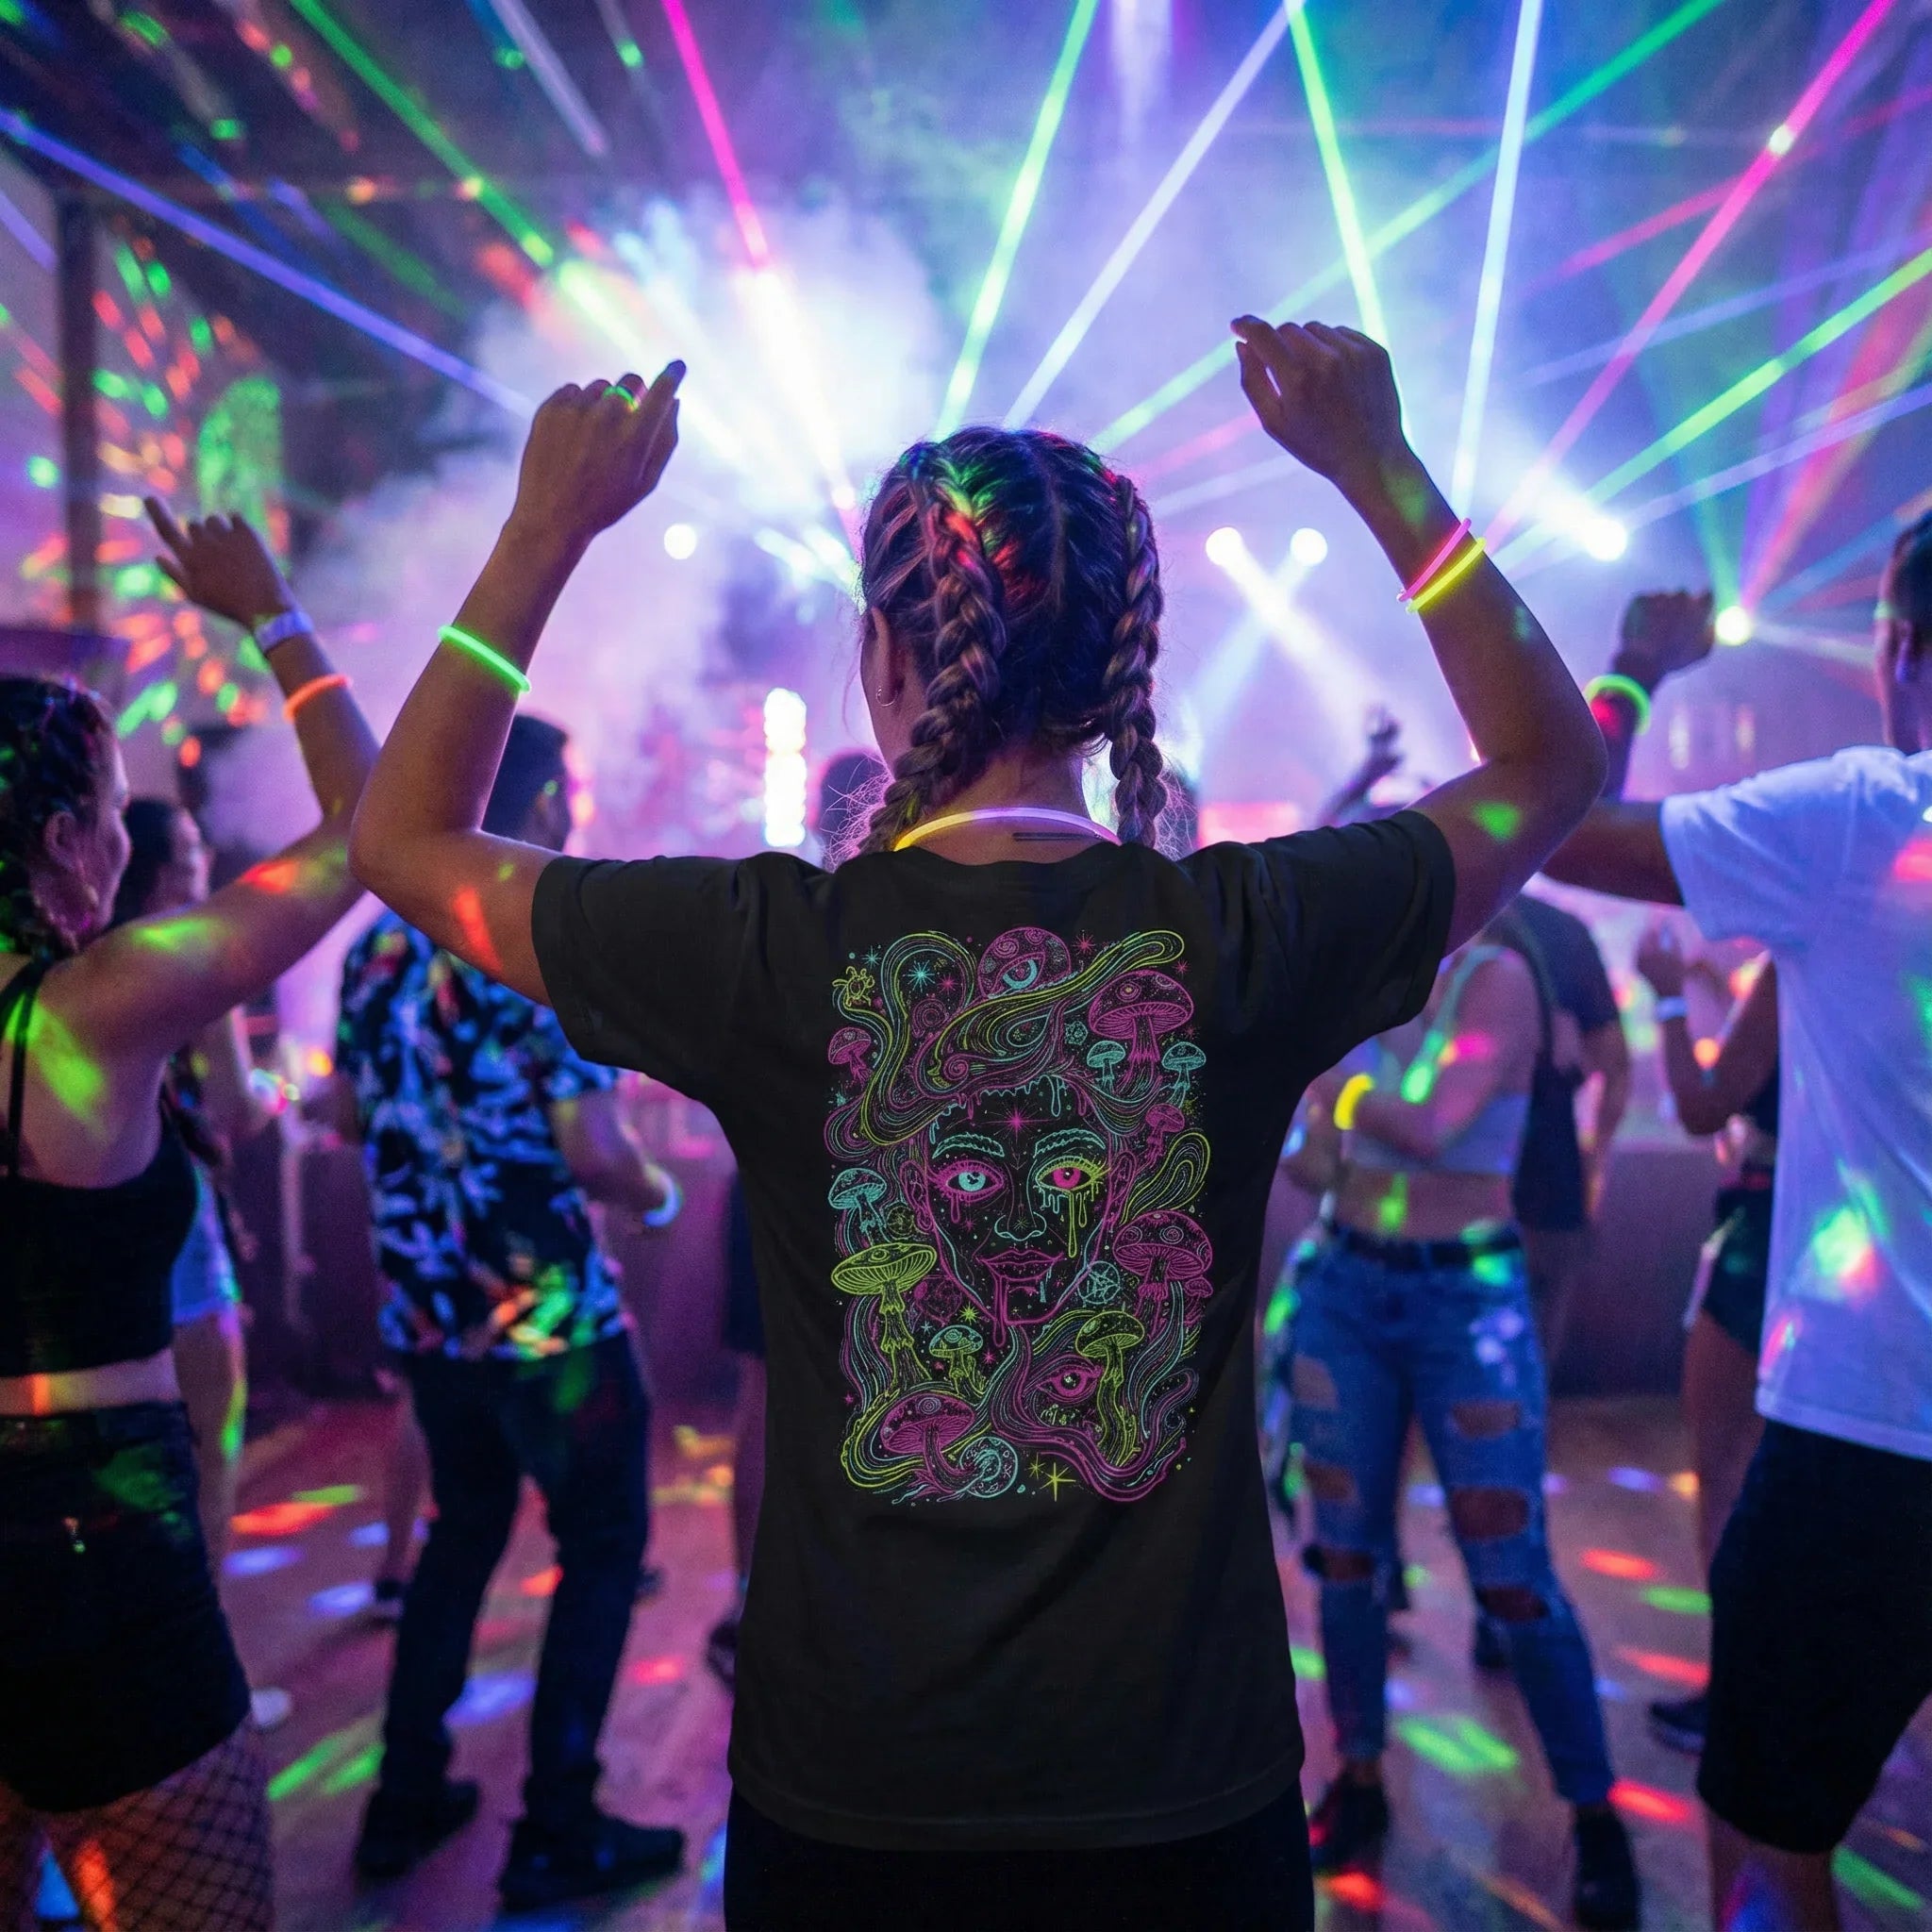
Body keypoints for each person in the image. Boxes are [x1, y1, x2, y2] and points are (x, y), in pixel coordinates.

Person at [347, 321, 1607, 1932]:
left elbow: (401, 835)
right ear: (1121, 673)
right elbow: (1552, 761)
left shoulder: (760, 947)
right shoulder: (1245, 931)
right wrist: (1382, 465)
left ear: (881, 655)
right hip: (1184, 1789)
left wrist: (543, 530)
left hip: (855, 1792)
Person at [1546, 534, 1932, 1931]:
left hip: (1875, 1436)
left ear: (1897, 648)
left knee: (1766, 1831)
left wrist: (1640, 672)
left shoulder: (1864, 819)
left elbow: (1559, 816)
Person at [0, 500, 376, 1928]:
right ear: (57, 836)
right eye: (106, 813)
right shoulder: (94, 1010)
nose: (122, 841)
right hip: (98, 1542)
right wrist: (272, 614)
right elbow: (368, 830)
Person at [338, 711, 686, 1910]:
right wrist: (658, 1185)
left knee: (460, 1534)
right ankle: (558, 1820)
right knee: (600, 1551)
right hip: (550, 1326)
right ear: (532, 802)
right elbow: (592, 1148)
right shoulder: (524, 938)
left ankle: (401, 1796)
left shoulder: (374, 950)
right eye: (568, 789)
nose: (574, 810)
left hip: (431, 1318)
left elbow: (341, 1114)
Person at [1277, 941, 1638, 1925]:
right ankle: (1357, 1780)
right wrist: (1306, 1104)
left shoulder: (1498, 977)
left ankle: (1593, 1814)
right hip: (1347, 1285)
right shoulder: (1359, 985)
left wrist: (1327, 1075)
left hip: (1464, 1298)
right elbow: (1313, 1164)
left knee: (1511, 1572)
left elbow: (1434, 1125)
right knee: (1343, 1560)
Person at [1632, 929, 1775, 1755]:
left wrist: (1669, 996)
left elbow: (1700, 1105)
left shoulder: (1791, 975)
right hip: (1864, 1244)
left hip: (1763, 1240)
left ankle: (1742, 1692)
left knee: (1723, 1472)